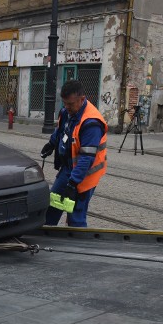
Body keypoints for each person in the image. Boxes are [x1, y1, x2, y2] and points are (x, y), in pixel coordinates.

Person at [40, 80, 107, 227]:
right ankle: (45, 239)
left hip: (84, 175)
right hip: (67, 169)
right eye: (64, 103)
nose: (66, 107)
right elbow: (61, 131)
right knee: (53, 206)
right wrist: (51, 143)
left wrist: (73, 182)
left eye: (70, 104)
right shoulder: (67, 112)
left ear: (82, 99)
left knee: (75, 216)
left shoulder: (91, 123)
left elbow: (86, 159)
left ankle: (77, 245)